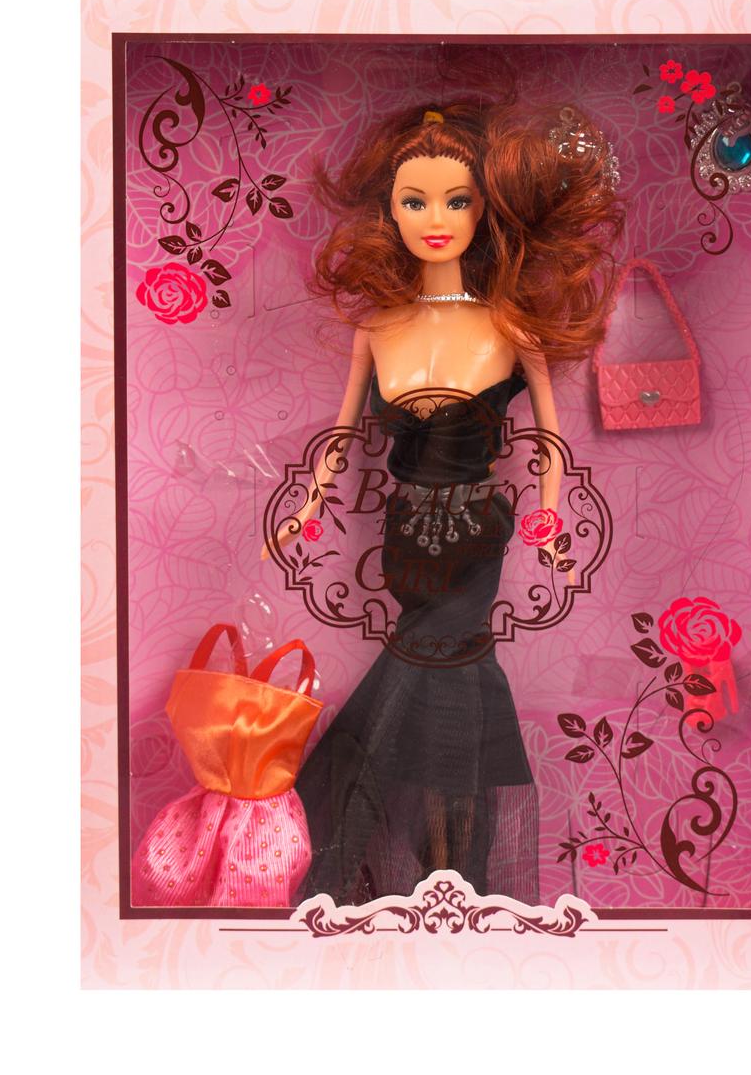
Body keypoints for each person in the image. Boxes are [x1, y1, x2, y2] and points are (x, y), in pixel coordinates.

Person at [261, 96, 622, 905]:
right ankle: (449, 881)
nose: (436, 219)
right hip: (405, 535)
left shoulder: (509, 327)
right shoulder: (376, 329)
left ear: (484, 211)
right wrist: (308, 503)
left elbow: (551, 442)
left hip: (476, 531)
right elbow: (342, 434)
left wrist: (552, 525)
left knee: (447, 667)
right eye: (415, 201)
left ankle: (415, 865)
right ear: (388, 212)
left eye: (457, 201)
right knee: (436, 674)